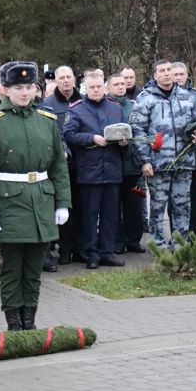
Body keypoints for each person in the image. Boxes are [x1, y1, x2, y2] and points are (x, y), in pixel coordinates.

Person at [0, 61, 71, 331]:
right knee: (11, 268)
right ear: (5, 89)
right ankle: (14, 321)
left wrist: (62, 202)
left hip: (40, 199)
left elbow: (58, 166)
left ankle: (30, 319)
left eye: (30, 87)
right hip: (9, 202)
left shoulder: (47, 121)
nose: (25, 92)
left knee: (34, 267)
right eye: (19, 87)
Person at [131, 59, 196, 250]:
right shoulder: (145, 98)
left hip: (183, 162)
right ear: (155, 76)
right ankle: (158, 246)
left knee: (182, 206)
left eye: (169, 70)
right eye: (161, 71)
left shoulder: (186, 97)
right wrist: (144, 160)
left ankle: (181, 245)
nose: (166, 73)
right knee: (157, 208)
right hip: (158, 164)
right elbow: (137, 131)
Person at [63, 72, 127, 269]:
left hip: (112, 169)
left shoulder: (116, 108)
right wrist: (91, 138)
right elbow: (68, 134)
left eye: (99, 87)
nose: (96, 90)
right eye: (92, 87)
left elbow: (126, 130)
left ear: (105, 88)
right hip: (89, 170)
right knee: (90, 215)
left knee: (110, 215)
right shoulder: (76, 109)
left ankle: (107, 252)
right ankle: (91, 253)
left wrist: (124, 142)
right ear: (85, 89)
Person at [39, 66, 84, 267]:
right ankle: (64, 250)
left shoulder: (84, 101)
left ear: (74, 79)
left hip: (83, 164)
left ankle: (79, 249)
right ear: (55, 81)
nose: (66, 81)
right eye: (62, 78)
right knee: (64, 207)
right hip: (60, 164)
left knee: (82, 209)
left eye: (69, 77)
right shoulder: (47, 105)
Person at [108, 74, 144, 254]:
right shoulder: (106, 107)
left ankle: (133, 240)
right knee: (115, 206)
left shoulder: (135, 106)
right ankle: (118, 241)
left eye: (123, 84)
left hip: (133, 163)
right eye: (116, 84)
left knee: (134, 206)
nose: (121, 87)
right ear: (109, 88)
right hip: (113, 163)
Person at [172, 62, 196, 236]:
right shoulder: (166, 97)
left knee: (194, 198)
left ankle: (195, 234)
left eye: (181, 74)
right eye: (175, 74)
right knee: (175, 201)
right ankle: (176, 235)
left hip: (194, 156)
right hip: (172, 158)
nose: (178, 78)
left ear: (187, 76)